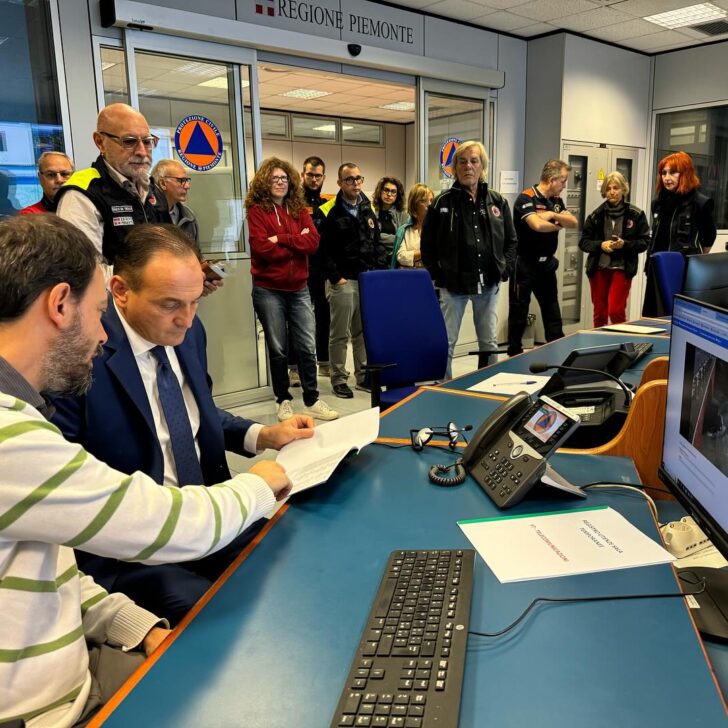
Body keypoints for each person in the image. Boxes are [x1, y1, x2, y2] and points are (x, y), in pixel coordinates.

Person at [0, 214, 292, 726]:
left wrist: (258, 437)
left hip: (77, 662)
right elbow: (156, 524)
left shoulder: (19, 420)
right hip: (56, 696)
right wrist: (259, 480)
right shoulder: (19, 434)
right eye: (96, 312)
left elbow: (49, 565)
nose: (100, 332)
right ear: (60, 304)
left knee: (286, 558)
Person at [51, 221, 315, 623]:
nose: (187, 319)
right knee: (216, 614)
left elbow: (197, 413)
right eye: (170, 304)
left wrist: (263, 434)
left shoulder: (188, 332)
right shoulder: (81, 356)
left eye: (194, 302)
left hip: (208, 510)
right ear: (120, 291)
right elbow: (71, 493)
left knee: (296, 554)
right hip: (134, 548)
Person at [246, 157, 339, 422]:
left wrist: (283, 239)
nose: (280, 183)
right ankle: (283, 399)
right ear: (265, 181)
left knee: (308, 345)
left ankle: (312, 399)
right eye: (275, 178)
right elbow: (262, 249)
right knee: (278, 348)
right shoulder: (256, 211)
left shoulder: (299, 209)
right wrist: (293, 244)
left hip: (299, 287)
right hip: (268, 289)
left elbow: (313, 242)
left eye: (284, 179)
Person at [421, 141, 517, 377]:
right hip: (453, 286)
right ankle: (444, 389)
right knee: (447, 343)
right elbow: (427, 245)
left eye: (474, 161)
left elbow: (511, 241)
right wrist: (438, 274)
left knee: (489, 343)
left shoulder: (497, 202)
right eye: (462, 162)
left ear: (482, 166)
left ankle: (488, 383)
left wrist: (504, 268)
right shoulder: (442, 203)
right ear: (454, 168)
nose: (468, 167)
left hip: (489, 284)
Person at [56, 102, 170, 263]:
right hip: (118, 288)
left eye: (147, 141)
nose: (141, 152)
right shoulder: (82, 193)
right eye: (129, 141)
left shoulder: (152, 189)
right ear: (100, 142)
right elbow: (83, 271)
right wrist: (150, 278)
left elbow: (168, 249)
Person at [318, 163, 388, 398]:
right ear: (339, 183)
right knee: (340, 334)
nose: (355, 183)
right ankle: (339, 378)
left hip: (366, 280)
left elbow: (376, 243)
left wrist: (377, 274)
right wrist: (336, 278)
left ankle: (362, 377)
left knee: (362, 333)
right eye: (350, 180)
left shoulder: (368, 209)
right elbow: (323, 250)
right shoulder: (330, 211)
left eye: (359, 179)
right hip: (343, 280)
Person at [507, 159, 577, 356]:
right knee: (519, 312)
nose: (564, 186)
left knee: (552, 311)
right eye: (563, 181)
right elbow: (536, 225)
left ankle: (557, 351)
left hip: (546, 265)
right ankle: (514, 353)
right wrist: (556, 223)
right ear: (552, 179)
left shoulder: (556, 201)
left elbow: (572, 221)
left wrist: (548, 215)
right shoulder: (525, 198)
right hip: (524, 265)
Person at [642, 151, 717, 316]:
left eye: (672, 172)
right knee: (654, 317)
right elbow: (656, 235)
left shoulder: (700, 203)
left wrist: (696, 259)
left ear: (685, 173)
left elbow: (709, 236)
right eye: (663, 173)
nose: (667, 178)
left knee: (680, 318)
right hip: (656, 268)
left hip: (683, 270)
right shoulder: (658, 204)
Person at [578, 171, 650, 327]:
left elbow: (644, 242)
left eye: (616, 188)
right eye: (608, 188)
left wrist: (625, 245)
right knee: (600, 313)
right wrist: (600, 245)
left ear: (623, 189)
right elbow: (583, 242)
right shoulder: (595, 216)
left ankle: (622, 344)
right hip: (599, 268)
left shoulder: (636, 215)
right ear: (604, 191)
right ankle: (600, 346)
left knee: (615, 311)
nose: (612, 191)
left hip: (622, 268)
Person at [288, 155, 331, 385]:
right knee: (298, 320)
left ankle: (324, 362)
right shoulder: (293, 202)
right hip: (299, 267)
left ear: (324, 177)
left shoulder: (327, 203)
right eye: (310, 175)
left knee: (324, 316)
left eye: (318, 175)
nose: (314, 179)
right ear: (303, 175)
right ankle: (294, 368)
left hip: (322, 269)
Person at [391, 183, 434, 268]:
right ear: (414, 205)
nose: (429, 204)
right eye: (423, 201)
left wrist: (414, 257)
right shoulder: (404, 230)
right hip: (411, 278)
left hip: (433, 278)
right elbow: (401, 257)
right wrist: (425, 252)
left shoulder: (438, 228)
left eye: (431, 200)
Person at [372, 175, 408, 258]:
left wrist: (379, 236)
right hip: (375, 258)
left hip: (395, 258)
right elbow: (370, 236)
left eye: (393, 191)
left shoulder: (403, 215)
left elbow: (404, 240)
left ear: (398, 195)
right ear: (380, 191)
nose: (389, 194)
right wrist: (395, 238)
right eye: (386, 190)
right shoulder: (371, 211)